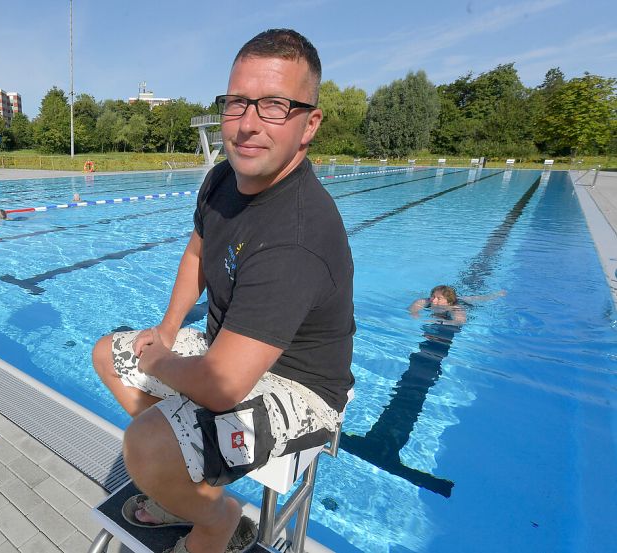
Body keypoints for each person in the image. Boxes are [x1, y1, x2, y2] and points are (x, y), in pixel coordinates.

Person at [91, 29, 354, 553]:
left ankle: (216, 520)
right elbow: (195, 255)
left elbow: (223, 386)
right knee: (110, 354)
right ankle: (190, 483)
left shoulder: (298, 236)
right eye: (238, 102)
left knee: (146, 444)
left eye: (275, 105)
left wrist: (161, 362)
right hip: (226, 353)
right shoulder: (220, 180)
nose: (249, 123)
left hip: (301, 388)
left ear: (309, 124)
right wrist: (166, 331)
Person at [408, 285, 506, 326]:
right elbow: (413, 308)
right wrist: (414, 313)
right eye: (433, 296)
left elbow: (459, 321)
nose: (434, 300)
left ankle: (495, 295)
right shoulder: (427, 301)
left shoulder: (456, 308)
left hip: (462, 301)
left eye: (439, 298)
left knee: (475, 298)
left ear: (449, 302)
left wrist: (440, 321)